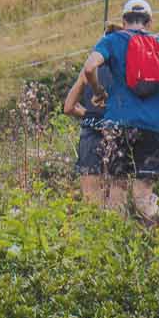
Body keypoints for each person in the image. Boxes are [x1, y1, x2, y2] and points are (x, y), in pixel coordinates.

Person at [79, 0, 159, 224]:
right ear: (149, 22)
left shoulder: (112, 41)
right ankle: (156, 239)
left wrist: (98, 90)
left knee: (117, 188)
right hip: (154, 128)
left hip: (118, 126)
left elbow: (90, 67)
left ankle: (116, 247)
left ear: (124, 21)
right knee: (144, 194)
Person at [63, 22, 121, 208]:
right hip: (119, 133)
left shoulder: (88, 71)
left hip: (90, 134)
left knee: (91, 198)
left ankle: (93, 233)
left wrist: (89, 114)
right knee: (117, 197)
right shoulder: (125, 70)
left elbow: (69, 107)